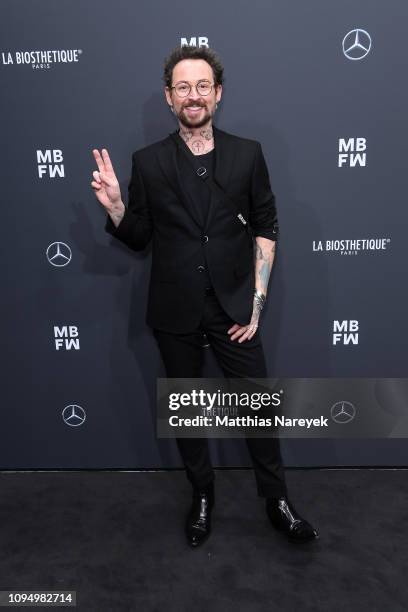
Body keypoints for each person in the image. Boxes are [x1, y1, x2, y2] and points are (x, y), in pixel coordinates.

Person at [91, 45, 319, 547]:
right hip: (175, 311)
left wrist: (256, 304)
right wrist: (115, 209)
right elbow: (140, 237)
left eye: (202, 87)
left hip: (236, 307)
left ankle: (276, 499)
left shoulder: (247, 153)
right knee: (187, 411)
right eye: (182, 87)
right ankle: (201, 494)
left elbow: (266, 226)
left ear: (217, 94)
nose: (192, 96)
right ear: (168, 98)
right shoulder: (147, 162)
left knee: (257, 408)